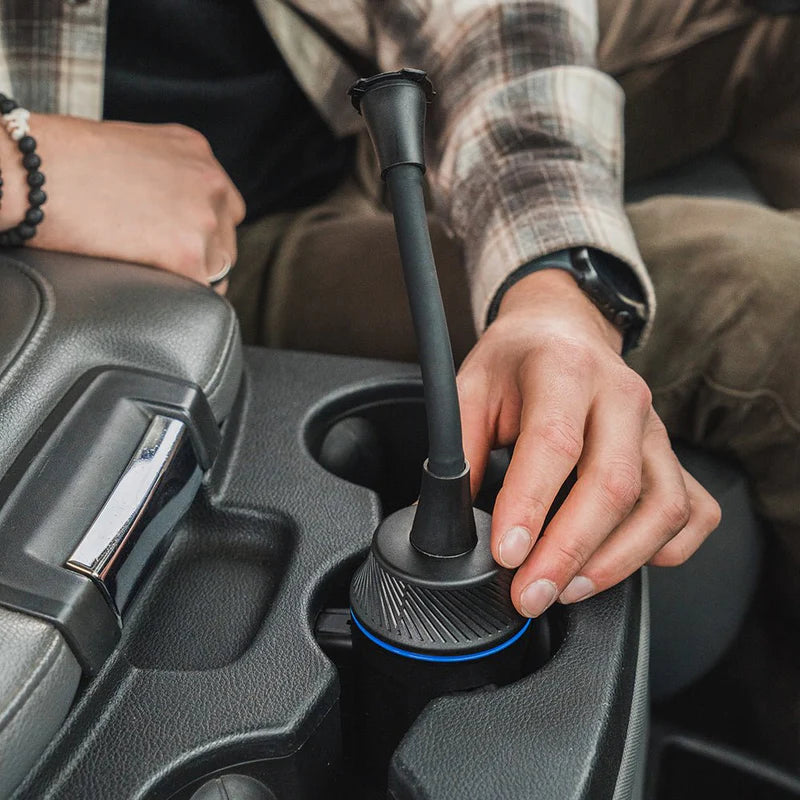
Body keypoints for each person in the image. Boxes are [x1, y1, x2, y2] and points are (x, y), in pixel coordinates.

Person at [2, 0, 794, 636]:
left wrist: (556, 286)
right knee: (769, 299)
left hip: (338, 103)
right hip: (138, 268)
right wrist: (22, 163)